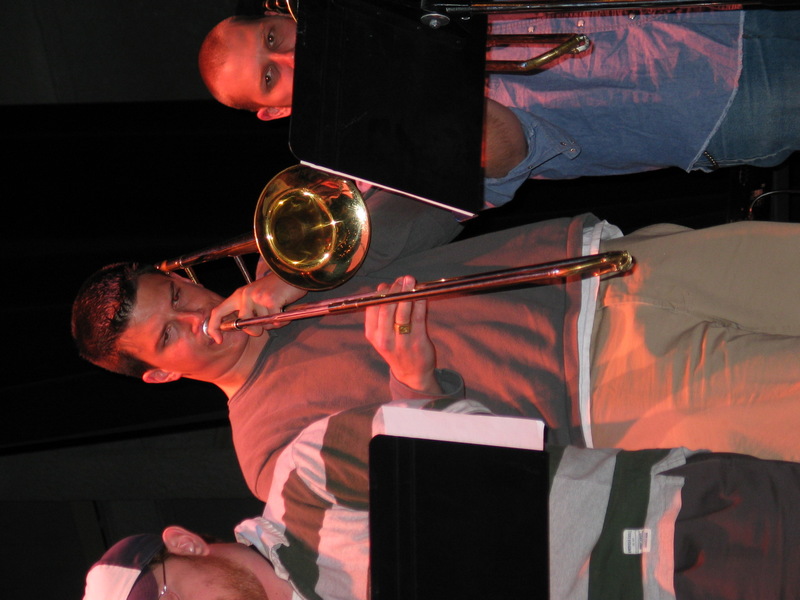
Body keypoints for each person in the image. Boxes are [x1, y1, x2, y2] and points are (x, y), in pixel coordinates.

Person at [72, 188, 800, 500]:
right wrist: (411, 381)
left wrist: (296, 278)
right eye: (168, 335)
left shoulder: (287, 266)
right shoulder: (267, 452)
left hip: (611, 267)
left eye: (178, 295)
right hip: (609, 390)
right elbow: (431, 488)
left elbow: (435, 201)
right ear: (159, 376)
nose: (196, 316)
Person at [81, 405, 800, 600]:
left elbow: (493, 436)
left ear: (184, 544)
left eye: (166, 598)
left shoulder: (307, 475)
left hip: (677, 532)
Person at [197, 7, 800, 205]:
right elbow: (509, 154)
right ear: (275, 112)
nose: (293, 58)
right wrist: (411, 92)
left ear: (278, 15)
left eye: (274, 38)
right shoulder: (379, 155)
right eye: (272, 76)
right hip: (712, 101)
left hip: (705, 10)